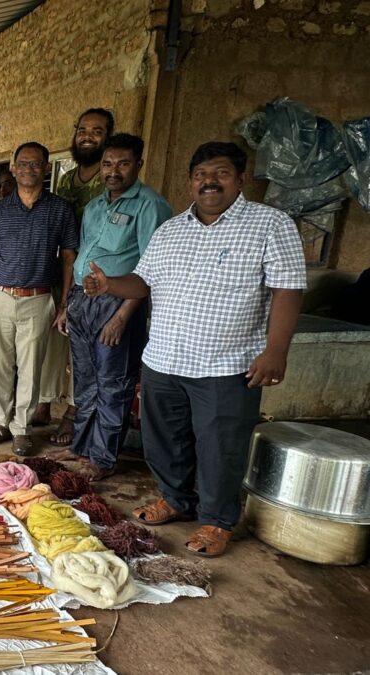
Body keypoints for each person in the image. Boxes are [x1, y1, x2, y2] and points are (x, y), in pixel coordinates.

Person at [84, 141, 305, 557]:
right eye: (201, 175)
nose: (209, 182)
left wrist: (276, 350)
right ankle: (176, 499)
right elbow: (144, 282)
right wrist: (110, 285)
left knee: (220, 446)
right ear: (190, 182)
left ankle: (219, 520)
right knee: (164, 440)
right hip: (164, 358)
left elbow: (288, 290)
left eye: (220, 173)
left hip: (225, 363)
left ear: (240, 179)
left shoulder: (270, 225)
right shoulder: (171, 230)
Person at [60, 134, 171, 480]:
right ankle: (83, 446)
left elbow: (152, 270)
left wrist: (123, 315)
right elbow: (81, 260)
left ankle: (103, 458)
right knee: (86, 380)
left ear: (138, 164)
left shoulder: (149, 205)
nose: (113, 171)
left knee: (114, 383)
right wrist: (68, 305)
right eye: (108, 164)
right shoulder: (95, 206)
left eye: (123, 164)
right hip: (83, 299)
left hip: (119, 302)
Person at [0, 142, 78, 455]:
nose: (29, 169)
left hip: (38, 298)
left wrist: (63, 305)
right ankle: (0, 422)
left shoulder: (60, 210)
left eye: (36, 164)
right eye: (24, 164)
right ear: (14, 169)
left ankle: (21, 428)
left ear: (46, 169)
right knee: (0, 363)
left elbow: (69, 258)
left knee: (32, 368)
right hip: (1, 296)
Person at [37, 108, 115, 445]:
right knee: (52, 343)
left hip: (98, 280)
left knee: (81, 353)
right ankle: (43, 403)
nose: (87, 136)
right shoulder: (67, 180)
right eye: (83, 129)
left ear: (108, 137)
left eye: (97, 131)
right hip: (62, 273)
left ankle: (72, 412)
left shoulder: (110, 180)